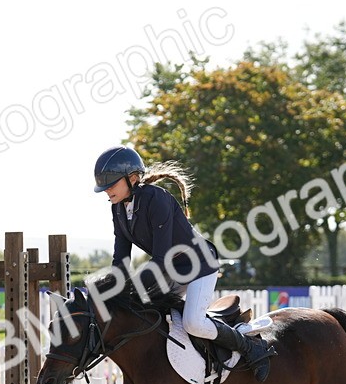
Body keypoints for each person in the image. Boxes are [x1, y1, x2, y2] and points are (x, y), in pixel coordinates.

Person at [92, 144, 259, 358]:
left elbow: (161, 260)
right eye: (104, 186)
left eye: (111, 184)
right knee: (144, 315)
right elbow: (121, 260)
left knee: (193, 323)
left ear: (132, 178)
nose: (107, 190)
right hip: (172, 270)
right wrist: (105, 290)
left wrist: (130, 288)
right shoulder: (118, 208)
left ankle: (248, 346)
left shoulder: (156, 199)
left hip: (199, 265)